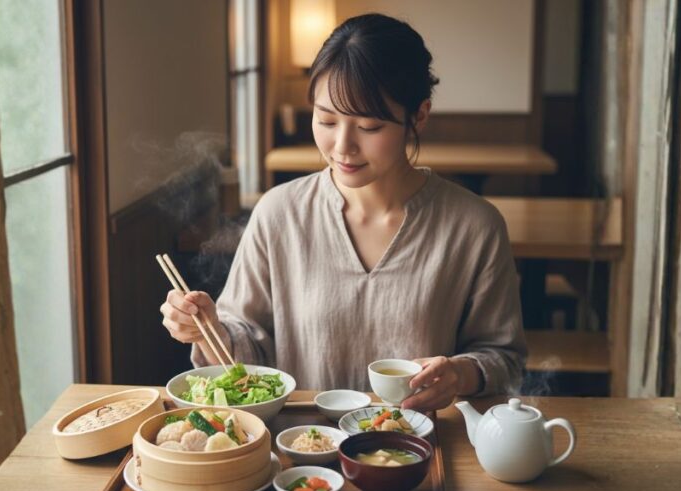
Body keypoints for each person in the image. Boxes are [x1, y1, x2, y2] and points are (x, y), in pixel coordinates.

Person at [159, 13, 526, 412]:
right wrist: (207, 330)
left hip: (415, 452)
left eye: (369, 127)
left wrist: (460, 374)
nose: (342, 147)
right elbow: (243, 359)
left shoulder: (475, 226)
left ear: (419, 115)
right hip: (301, 451)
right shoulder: (279, 214)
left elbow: (504, 360)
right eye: (326, 120)